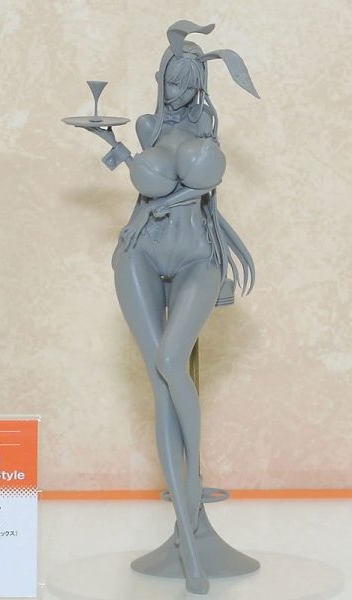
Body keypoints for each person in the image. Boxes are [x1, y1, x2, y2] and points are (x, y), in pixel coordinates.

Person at [69, 19, 259, 596]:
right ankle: (188, 536)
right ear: (160, 80)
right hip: (140, 253)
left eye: (186, 83)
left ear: (199, 84)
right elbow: (141, 180)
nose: (176, 92)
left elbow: (204, 193)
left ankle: (192, 490)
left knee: (174, 363)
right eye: (170, 81)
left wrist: (160, 203)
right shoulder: (149, 127)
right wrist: (119, 154)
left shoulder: (207, 128)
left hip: (197, 254)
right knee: (160, 381)